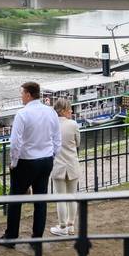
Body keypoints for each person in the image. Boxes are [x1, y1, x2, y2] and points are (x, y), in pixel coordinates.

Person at [0, 82, 61, 246]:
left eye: (22, 93)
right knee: (40, 200)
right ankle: (37, 238)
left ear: (28, 94)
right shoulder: (51, 112)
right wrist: (52, 156)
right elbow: (57, 138)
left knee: (15, 199)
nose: (21, 96)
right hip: (46, 160)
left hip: (26, 161)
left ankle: (11, 237)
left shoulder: (22, 114)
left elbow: (15, 143)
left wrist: (14, 162)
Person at [49, 97, 81, 236]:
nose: (71, 111)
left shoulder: (51, 125)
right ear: (63, 111)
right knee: (72, 196)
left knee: (61, 197)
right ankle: (71, 225)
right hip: (72, 163)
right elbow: (78, 143)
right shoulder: (73, 124)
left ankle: (62, 227)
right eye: (69, 109)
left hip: (58, 164)